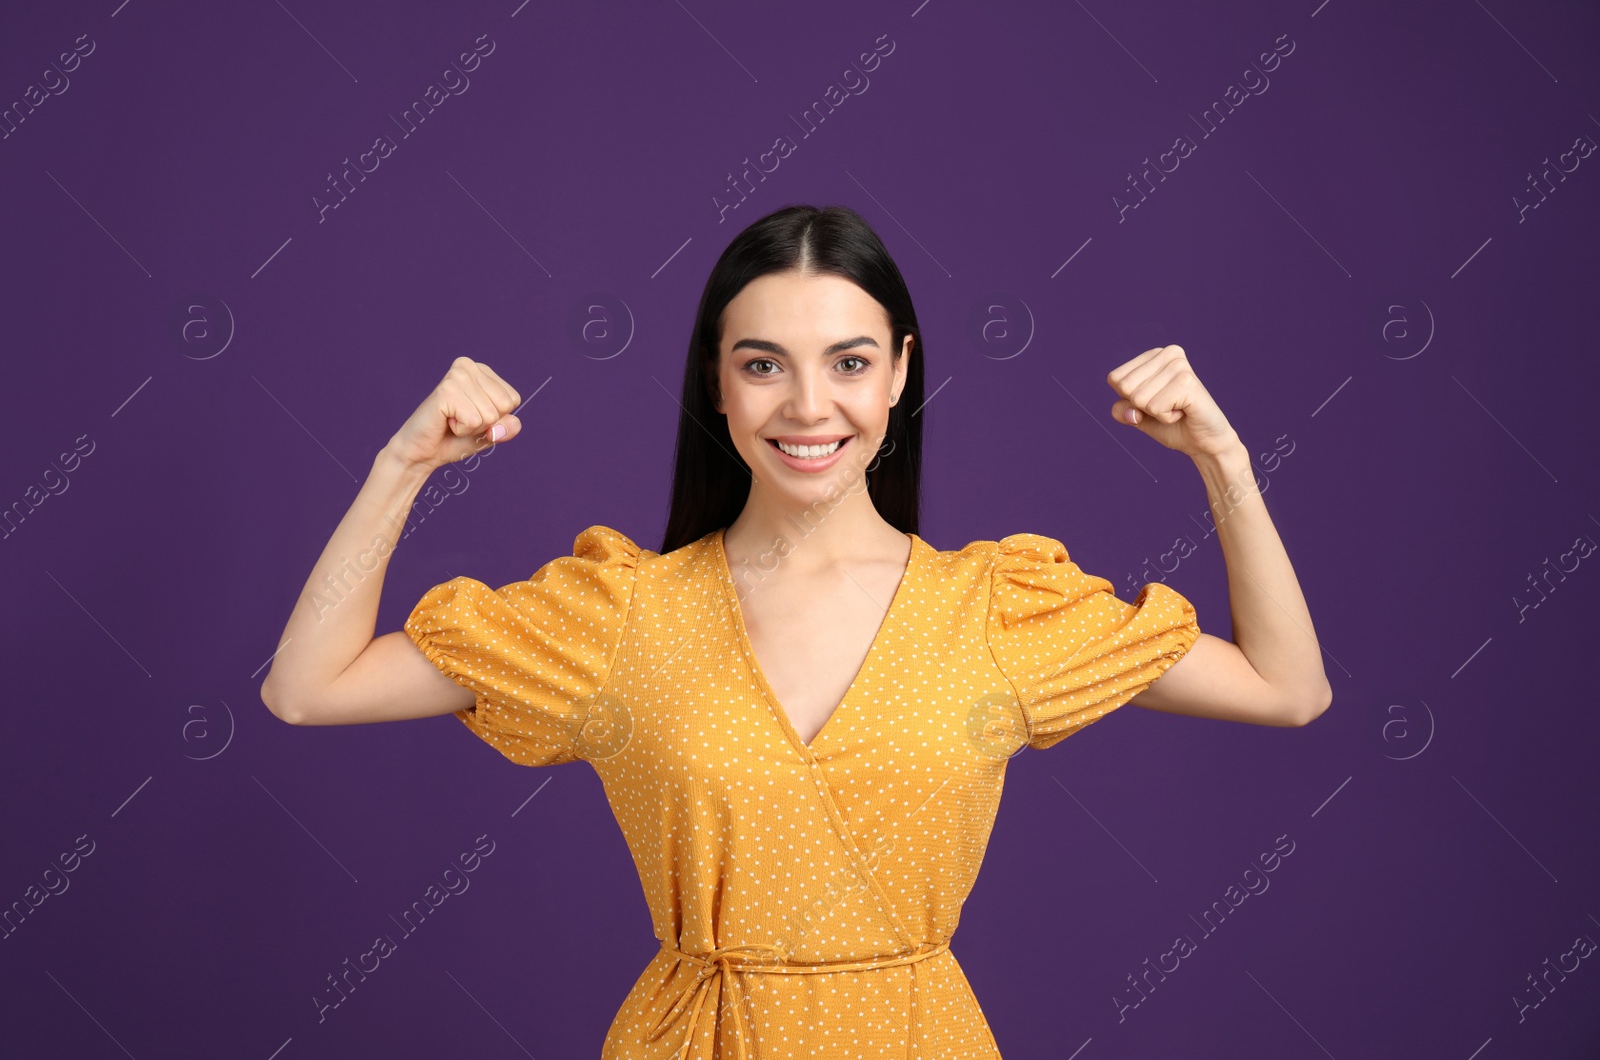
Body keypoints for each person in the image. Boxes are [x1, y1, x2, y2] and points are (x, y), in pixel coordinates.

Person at [261, 204, 1331, 1058]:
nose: (808, 405)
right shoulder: (620, 613)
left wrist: (1223, 462)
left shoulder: (996, 608)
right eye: (764, 362)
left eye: (850, 362)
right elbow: (308, 686)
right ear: (718, 386)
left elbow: (1289, 687)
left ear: (902, 371)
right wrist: (399, 467)